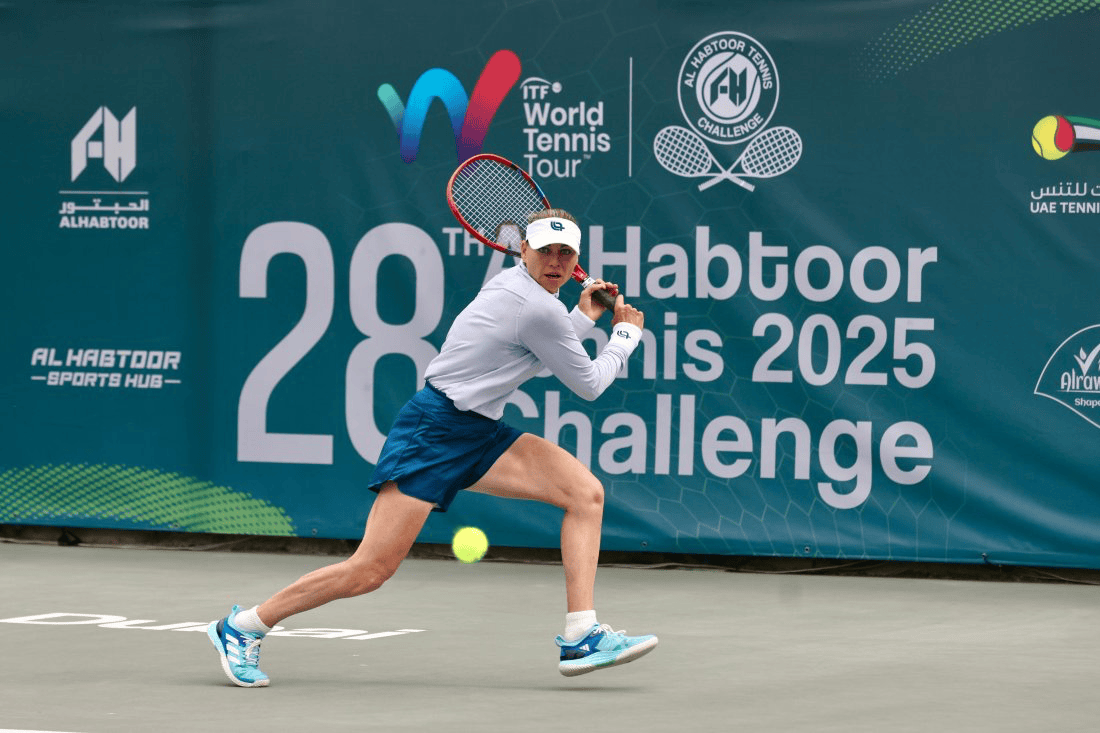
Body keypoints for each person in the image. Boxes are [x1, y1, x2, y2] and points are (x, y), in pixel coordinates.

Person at [208, 208, 657, 687]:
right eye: (545, 249)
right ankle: (244, 626)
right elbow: (588, 383)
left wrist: (582, 318)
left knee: (584, 494)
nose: (556, 261)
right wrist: (625, 334)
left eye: (566, 252)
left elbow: (535, 357)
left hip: (480, 432)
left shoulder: (522, 291)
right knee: (370, 570)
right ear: (523, 249)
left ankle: (581, 633)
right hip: (435, 433)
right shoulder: (535, 306)